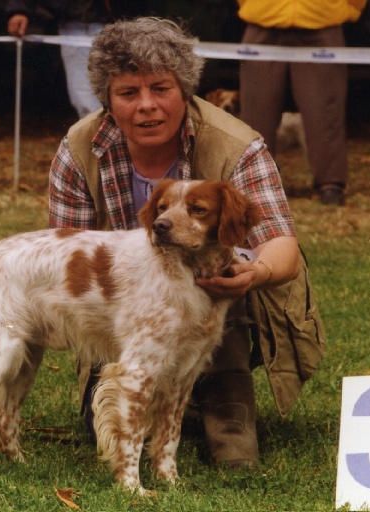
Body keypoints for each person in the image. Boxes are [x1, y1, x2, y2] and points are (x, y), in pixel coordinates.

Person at [49, 17, 324, 467]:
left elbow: (282, 247)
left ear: (185, 91)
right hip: (126, 310)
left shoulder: (237, 144)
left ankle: (220, 390)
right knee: (109, 419)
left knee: (236, 459)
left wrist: (257, 273)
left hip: (223, 303)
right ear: (107, 100)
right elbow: (69, 252)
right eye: (128, 93)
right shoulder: (79, 149)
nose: (146, 106)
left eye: (160, 88)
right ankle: (146, 397)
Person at [236, 0, 367, 206]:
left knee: (325, 110)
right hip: (262, 19)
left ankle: (330, 183)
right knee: (256, 111)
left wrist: (342, 9)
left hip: (322, 21)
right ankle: (253, 180)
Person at [6, 0, 113, 118]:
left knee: (119, 88)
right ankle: (99, 133)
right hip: (72, 23)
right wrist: (19, 10)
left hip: (119, 21)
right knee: (83, 97)